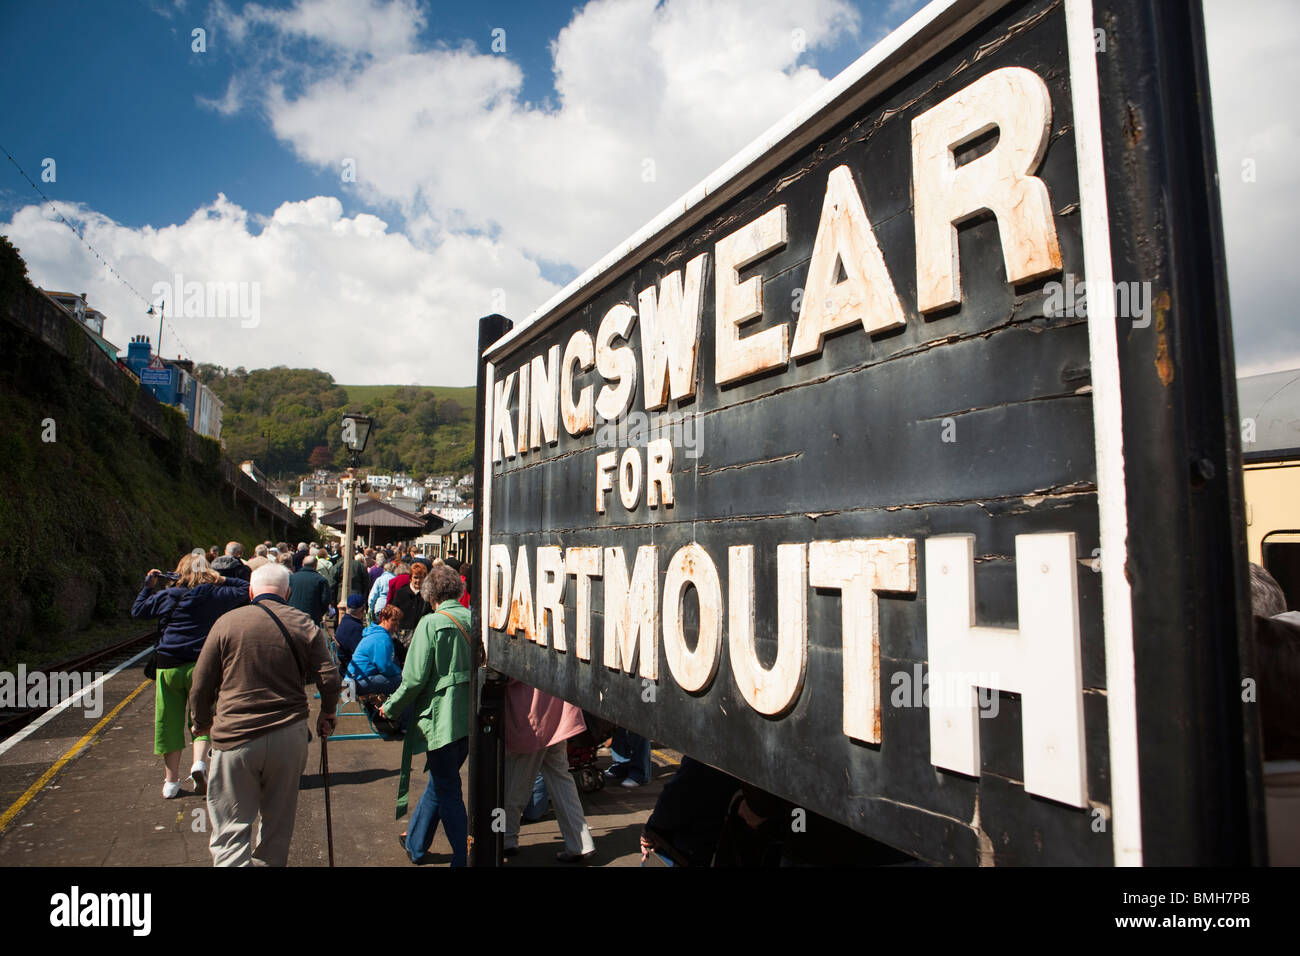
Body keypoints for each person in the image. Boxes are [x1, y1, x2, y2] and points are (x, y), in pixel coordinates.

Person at [189, 562, 341, 867]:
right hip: (289, 734)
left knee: (231, 830)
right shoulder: (304, 623)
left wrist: (202, 723)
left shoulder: (227, 622)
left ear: (250, 590)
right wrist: (327, 713)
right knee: (277, 828)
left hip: (235, 736)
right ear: (287, 592)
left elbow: (201, 683)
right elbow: (330, 677)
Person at [131, 551, 249, 798]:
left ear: (179, 572)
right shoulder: (215, 593)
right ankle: (199, 764)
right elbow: (248, 588)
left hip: (169, 665)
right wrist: (220, 579)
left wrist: (147, 586)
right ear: (206, 571)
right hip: (202, 664)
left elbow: (138, 611)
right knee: (202, 716)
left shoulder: (167, 595)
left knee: (168, 721)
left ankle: (170, 783)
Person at [380, 563, 473, 866]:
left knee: (447, 789)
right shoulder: (474, 619)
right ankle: (417, 844)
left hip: (441, 717)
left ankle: (463, 857)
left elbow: (414, 679)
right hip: (469, 716)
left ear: (430, 594)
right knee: (441, 781)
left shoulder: (431, 624)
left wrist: (389, 708)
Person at [503, 680, 597, 862]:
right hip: (558, 712)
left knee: (516, 783)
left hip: (531, 715)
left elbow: (510, 672)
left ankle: (507, 838)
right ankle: (581, 843)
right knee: (562, 781)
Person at [346, 604, 405, 696]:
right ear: (383, 619)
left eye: (398, 620)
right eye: (393, 620)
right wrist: (401, 673)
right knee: (405, 683)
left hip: (354, 680)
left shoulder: (376, 633)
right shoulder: (381, 638)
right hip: (356, 683)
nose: (397, 623)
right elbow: (385, 667)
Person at [388, 557, 432, 634]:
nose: (418, 581)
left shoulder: (428, 595)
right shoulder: (401, 592)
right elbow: (394, 611)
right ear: (410, 578)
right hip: (403, 634)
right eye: (415, 577)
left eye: (421, 578)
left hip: (421, 633)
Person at [288, 554, 332, 623]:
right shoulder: (321, 580)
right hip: (312, 618)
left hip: (293, 616)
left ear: (302, 564)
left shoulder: (291, 578)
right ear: (316, 566)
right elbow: (325, 601)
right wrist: (319, 613)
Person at [334, 593, 367, 677]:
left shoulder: (345, 621)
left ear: (347, 608)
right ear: (362, 610)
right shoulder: (355, 628)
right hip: (351, 671)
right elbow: (362, 653)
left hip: (344, 666)